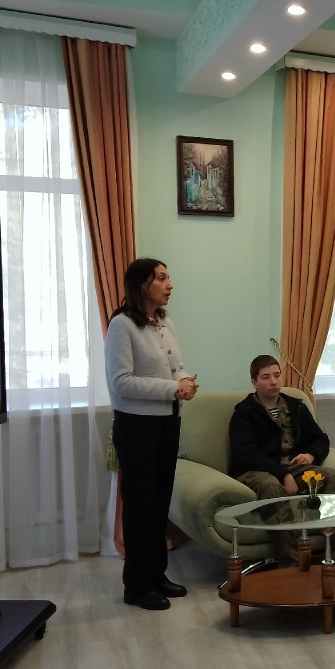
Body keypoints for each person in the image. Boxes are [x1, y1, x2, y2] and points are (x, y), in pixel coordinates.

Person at [105, 258, 198, 611]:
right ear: (142, 285)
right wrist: (173, 388)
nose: (169, 284)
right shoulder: (121, 325)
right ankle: (136, 585)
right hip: (136, 426)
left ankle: (156, 575)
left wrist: (185, 382)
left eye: (168, 277)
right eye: (161, 278)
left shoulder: (164, 322)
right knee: (139, 506)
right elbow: (121, 382)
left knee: (160, 503)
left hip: (167, 422)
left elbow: (177, 367)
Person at [229, 355, 335, 498]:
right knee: (271, 487)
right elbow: (246, 455)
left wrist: (310, 455)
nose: (273, 382)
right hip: (258, 471)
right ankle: (289, 514)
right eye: (266, 377)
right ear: (254, 383)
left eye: (277, 375)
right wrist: (283, 474)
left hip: (294, 468)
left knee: (333, 476)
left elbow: (320, 439)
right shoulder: (244, 413)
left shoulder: (297, 407)